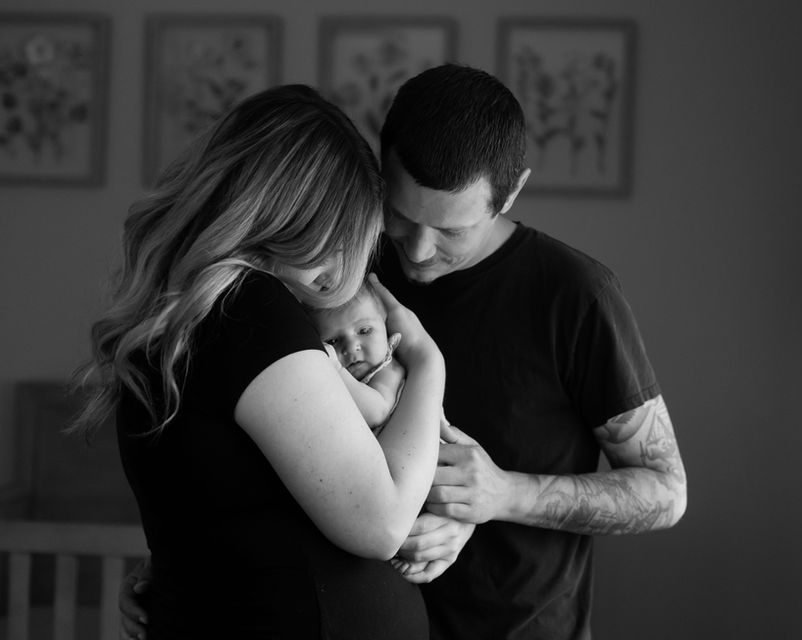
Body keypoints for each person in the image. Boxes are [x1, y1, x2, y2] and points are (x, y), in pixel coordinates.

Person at [121, 64, 687, 640]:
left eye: (451, 232)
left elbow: (665, 491)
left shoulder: (575, 296)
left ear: (510, 194)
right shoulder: (337, 268)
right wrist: (187, 565)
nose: (416, 251)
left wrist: (500, 495)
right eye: (399, 216)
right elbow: (270, 444)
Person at [75, 84, 446, 639]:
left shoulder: (191, 314)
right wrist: (428, 363)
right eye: (338, 232)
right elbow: (383, 522)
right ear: (284, 208)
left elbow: (226, 505)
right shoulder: (251, 310)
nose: (344, 262)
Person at [314, 282, 406, 433]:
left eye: (364, 331)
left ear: (384, 323)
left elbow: (377, 414)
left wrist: (336, 367)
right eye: (333, 342)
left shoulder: (388, 370)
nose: (351, 347)